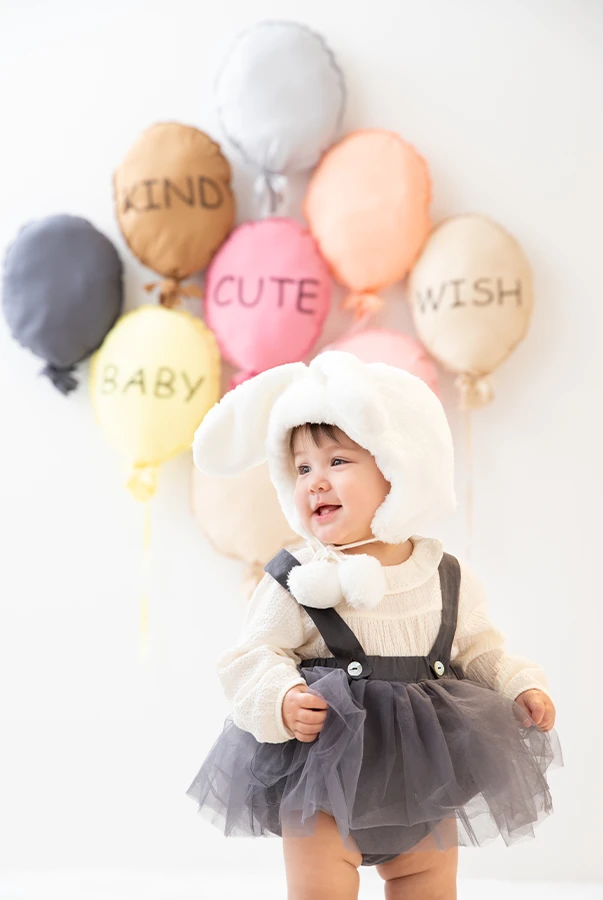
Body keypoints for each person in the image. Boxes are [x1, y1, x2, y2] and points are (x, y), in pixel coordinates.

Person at [186, 351, 562, 900]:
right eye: (302, 468)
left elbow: (479, 649)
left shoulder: (441, 574)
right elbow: (251, 655)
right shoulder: (298, 577)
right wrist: (282, 698)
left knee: (429, 883)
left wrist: (519, 685)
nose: (315, 482)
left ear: (399, 467)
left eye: (337, 461)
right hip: (322, 779)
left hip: (426, 776)